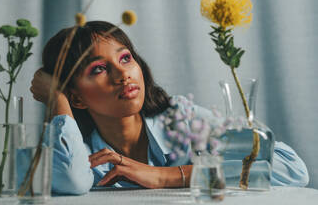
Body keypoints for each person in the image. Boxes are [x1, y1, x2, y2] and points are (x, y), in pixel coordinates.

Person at [30, 21, 309, 195]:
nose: (122, 74)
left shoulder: (181, 120)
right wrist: (57, 100)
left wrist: (166, 176)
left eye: (126, 58)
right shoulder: (85, 154)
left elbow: (292, 169)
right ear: (77, 98)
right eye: (100, 69)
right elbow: (72, 181)